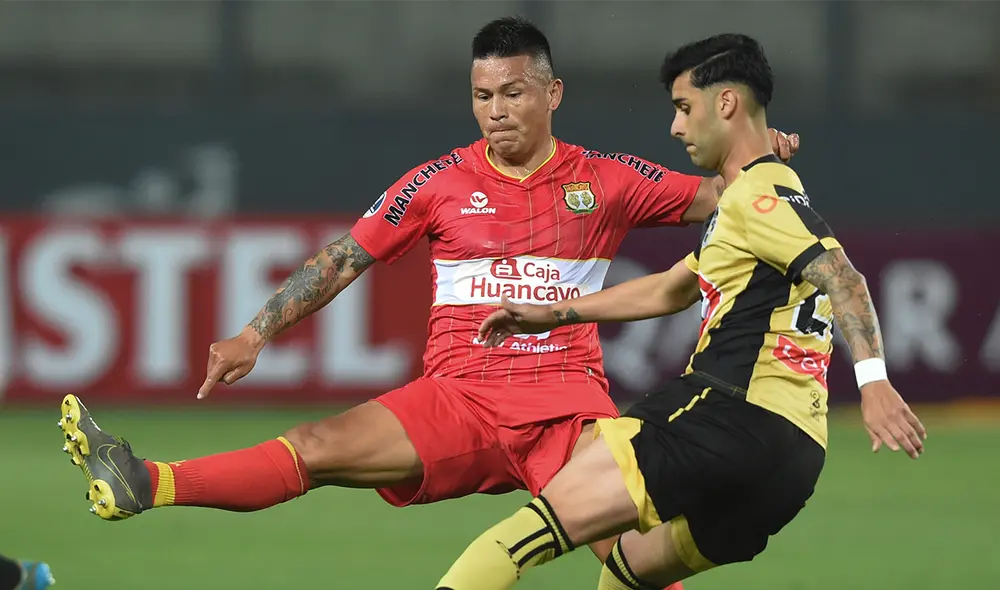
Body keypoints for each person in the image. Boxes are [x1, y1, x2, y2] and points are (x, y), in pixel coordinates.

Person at [57, 19, 797, 588]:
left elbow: (723, 193)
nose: (496, 111)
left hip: (567, 414)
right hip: (460, 400)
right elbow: (343, 258)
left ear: (552, 93)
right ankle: (144, 481)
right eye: (482, 96)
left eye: (512, 93)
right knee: (315, 448)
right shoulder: (437, 182)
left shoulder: (607, 178)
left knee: (636, 558)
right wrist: (255, 332)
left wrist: (759, 152)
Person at [433, 33, 927, 590]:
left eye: (683, 107)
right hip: (793, 458)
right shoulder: (766, 197)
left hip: (727, 412)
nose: (675, 127)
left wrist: (874, 381)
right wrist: (553, 314)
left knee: (519, 538)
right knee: (628, 572)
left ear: (726, 104)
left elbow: (844, 278)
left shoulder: (756, 197)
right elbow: (672, 289)